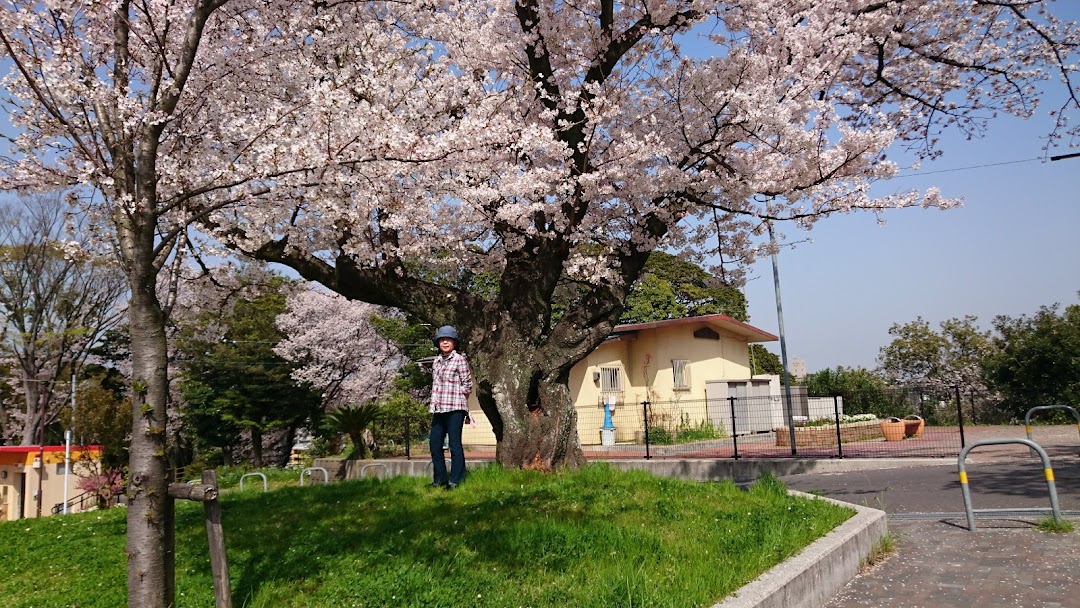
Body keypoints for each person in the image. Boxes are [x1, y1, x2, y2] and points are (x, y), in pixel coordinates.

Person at [429, 325, 473, 489]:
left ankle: (456, 480)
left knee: (454, 444)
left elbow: (467, 384)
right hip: (439, 408)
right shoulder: (436, 361)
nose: (445, 342)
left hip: (455, 408)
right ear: (438, 342)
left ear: (454, 342)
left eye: (448, 339)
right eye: (442, 339)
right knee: (434, 444)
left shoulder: (459, 360)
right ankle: (440, 479)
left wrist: (458, 395)